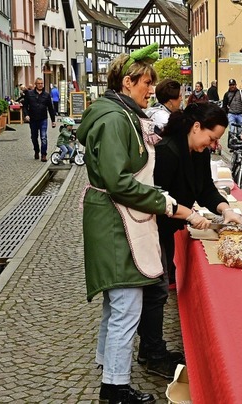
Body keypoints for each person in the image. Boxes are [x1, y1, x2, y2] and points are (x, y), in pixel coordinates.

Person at [76, 43, 175, 404]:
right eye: (146, 83)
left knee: (116, 303)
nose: (151, 90)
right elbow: (119, 181)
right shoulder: (117, 119)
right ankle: (115, 389)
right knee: (126, 306)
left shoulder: (118, 113)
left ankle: (109, 369)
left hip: (115, 218)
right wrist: (163, 201)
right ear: (127, 82)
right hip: (117, 221)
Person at [144, 102, 242, 378]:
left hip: (170, 225)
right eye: (212, 138)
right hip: (154, 228)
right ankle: (152, 353)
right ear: (196, 127)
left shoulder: (197, 150)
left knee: (158, 289)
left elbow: (204, 188)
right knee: (156, 290)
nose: (213, 145)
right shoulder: (166, 151)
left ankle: (152, 347)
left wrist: (226, 209)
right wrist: (189, 216)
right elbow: (157, 199)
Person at [22, 77, 56, 162]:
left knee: (43, 137)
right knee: (34, 137)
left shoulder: (46, 95)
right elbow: (25, 106)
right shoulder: (29, 94)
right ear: (35, 84)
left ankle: (44, 154)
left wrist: (53, 121)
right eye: (39, 83)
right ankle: (36, 151)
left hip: (43, 119)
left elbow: (50, 108)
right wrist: (26, 115)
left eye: (41, 83)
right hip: (33, 119)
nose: (40, 85)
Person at [222, 78, 242, 149]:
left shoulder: (241, 93)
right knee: (232, 129)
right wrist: (225, 114)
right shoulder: (227, 94)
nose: (232, 86)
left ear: (235, 85)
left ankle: (239, 144)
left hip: (240, 114)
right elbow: (224, 105)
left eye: (233, 85)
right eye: (230, 85)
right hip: (231, 114)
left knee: (240, 130)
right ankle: (231, 143)